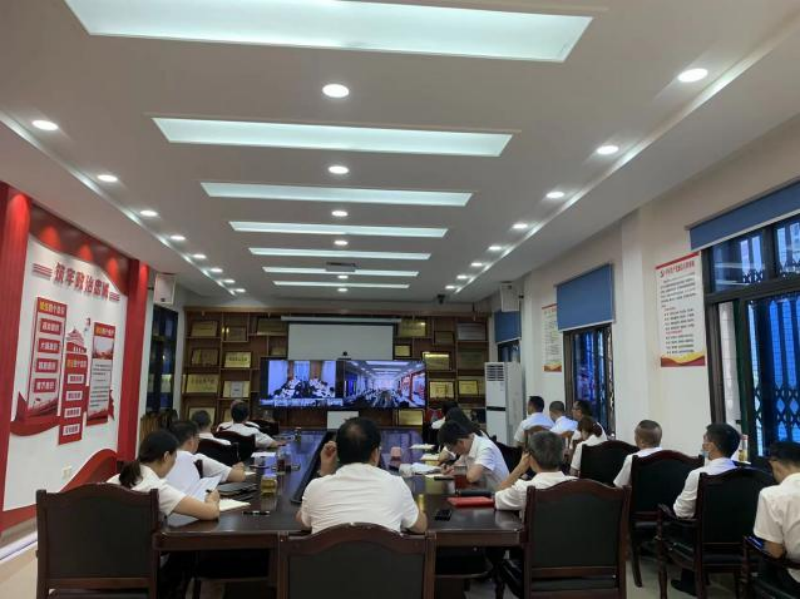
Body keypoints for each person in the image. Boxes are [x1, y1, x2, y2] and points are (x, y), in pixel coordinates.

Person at [297, 418, 427, 534]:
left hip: (329, 555)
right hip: (381, 555)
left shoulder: (316, 487)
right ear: (375, 454)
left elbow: (303, 524)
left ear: (339, 454)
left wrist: (324, 473)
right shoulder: (396, 485)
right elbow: (421, 527)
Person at [670, 423, 740, 595]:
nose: (702, 445)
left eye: (704, 440)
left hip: (703, 539)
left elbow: (681, 512)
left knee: (678, 521)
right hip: (739, 540)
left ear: (711, 446)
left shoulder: (699, 475)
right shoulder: (746, 475)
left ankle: (690, 579)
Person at [108, 430, 220, 520]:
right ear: (166, 457)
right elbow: (211, 512)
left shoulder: (114, 480)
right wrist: (212, 499)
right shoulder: (157, 489)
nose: (173, 465)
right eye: (174, 459)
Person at [753, 441, 800, 594]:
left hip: (795, 577)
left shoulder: (772, 495)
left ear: (774, 463)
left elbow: (775, 552)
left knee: (765, 556)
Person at [495, 430, 576, 516]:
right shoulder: (577, 485)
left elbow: (497, 498)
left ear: (530, 458)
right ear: (563, 456)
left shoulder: (523, 489)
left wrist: (518, 469)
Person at [166, 420, 247, 492]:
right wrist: (239, 469)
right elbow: (240, 477)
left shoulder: (162, 459)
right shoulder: (198, 460)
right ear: (191, 441)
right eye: (198, 439)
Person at [438, 420, 510, 490]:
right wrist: (449, 470)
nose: (453, 452)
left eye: (450, 449)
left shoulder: (486, 448)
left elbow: (472, 477)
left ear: (460, 442)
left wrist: (458, 471)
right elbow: (458, 467)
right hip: (482, 492)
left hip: (499, 494)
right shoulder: (466, 448)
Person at [613, 420, 663, 488]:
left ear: (642, 442)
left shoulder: (632, 458)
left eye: (635, 434)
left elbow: (620, 486)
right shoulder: (669, 458)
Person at [218, 401, 282, 449]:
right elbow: (273, 444)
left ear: (231, 415)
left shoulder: (222, 431)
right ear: (247, 417)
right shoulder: (253, 431)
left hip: (228, 462)